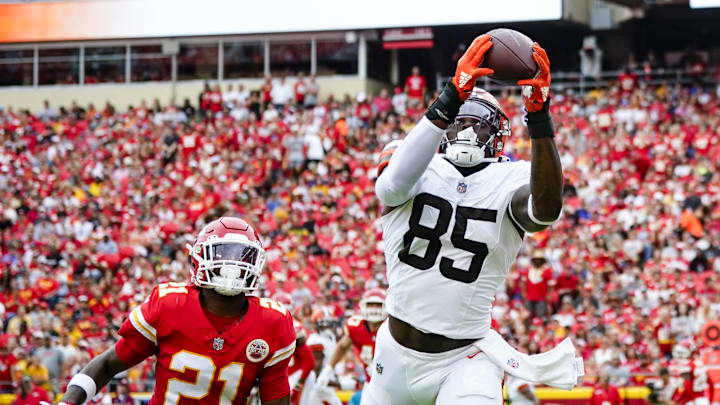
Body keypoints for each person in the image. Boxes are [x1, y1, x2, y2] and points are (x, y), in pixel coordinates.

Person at [365, 35, 571, 405]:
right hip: (395, 352)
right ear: (444, 127)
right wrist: (450, 96)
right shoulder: (412, 159)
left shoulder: (511, 179)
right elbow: (390, 189)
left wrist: (539, 116)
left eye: (481, 126)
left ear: (498, 138)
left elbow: (545, 212)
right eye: (461, 122)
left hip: (465, 358)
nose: (469, 132)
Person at [58, 217, 296, 405]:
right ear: (198, 256)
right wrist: (69, 402)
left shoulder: (273, 322)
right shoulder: (169, 305)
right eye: (223, 254)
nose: (232, 266)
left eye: (241, 256)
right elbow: (109, 364)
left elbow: (276, 400)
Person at [316, 289, 387, 390]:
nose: (374, 309)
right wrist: (328, 368)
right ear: (363, 306)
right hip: (370, 382)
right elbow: (342, 347)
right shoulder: (356, 327)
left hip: (392, 382)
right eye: (371, 305)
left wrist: (381, 368)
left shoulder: (391, 328)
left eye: (378, 305)